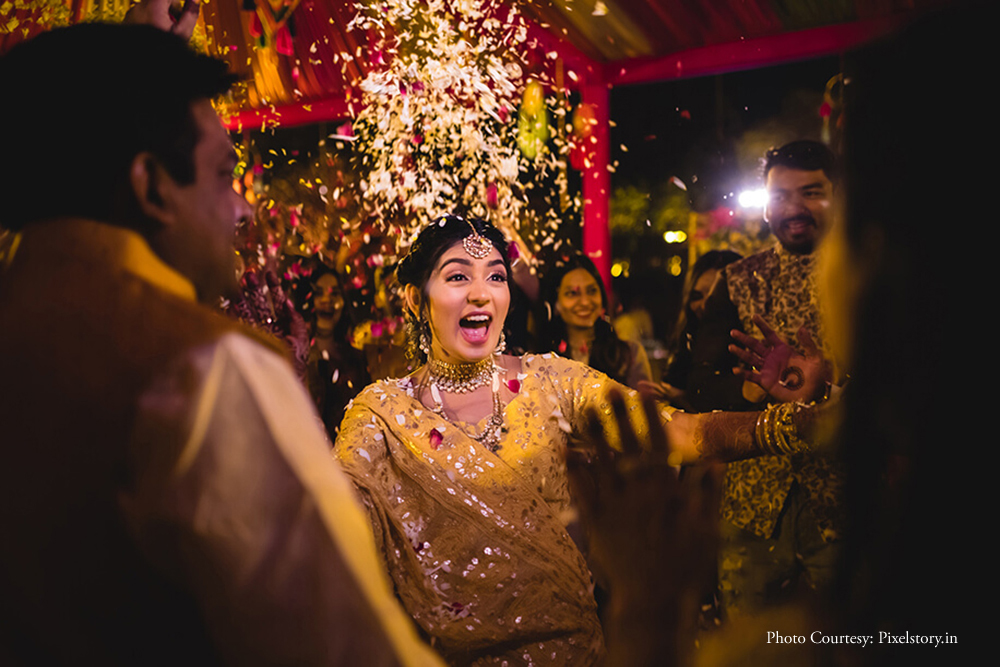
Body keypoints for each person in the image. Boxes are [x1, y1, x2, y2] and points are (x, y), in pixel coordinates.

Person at [0, 13, 441, 666]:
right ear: (151, 185)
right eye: (222, 175)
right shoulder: (205, 367)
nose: (244, 210)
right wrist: (643, 604)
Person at [332, 215, 687, 666]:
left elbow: (673, 430)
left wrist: (792, 424)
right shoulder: (382, 412)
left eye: (496, 276)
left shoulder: (551, 379)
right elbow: (336, 511)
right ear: (414, 299)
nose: (481, 293)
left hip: (570, 652)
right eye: (458, 276)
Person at [686, 140, 844, 620]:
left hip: (848, 499)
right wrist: (753, 390)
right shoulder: (737, 280)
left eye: (811, 192)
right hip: (752, 506)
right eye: (780, 196)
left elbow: (908, 379)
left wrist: (830, 385)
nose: (794, 208)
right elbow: (700, 381)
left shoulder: (869, 270)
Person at [641, 249, 743, 409]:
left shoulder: (750, 352)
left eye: (716, 296)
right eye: (697, 296)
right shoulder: (688, 341)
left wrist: (685, 400)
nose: (705, 305)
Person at [539, 252, 652, 389]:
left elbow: (644, 408)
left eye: (592, 291)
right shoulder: (541, 360)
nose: (585, 302)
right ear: (555, 305)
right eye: (572, 293)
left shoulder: (628, 355)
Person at [305, 266, 371, 437]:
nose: (326, 300)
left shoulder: (357, 359)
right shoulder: (293, 355)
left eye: (334, 293)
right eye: (319, 293)